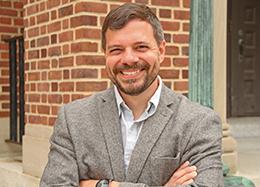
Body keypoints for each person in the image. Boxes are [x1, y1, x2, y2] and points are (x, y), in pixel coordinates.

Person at [40, 3, 223, 187]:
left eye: (141, 47)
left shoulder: (200, 122)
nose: (128, 59)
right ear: (105, 54)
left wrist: (99, 185)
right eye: (116, 50)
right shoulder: (73, 119)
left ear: (161, 51)